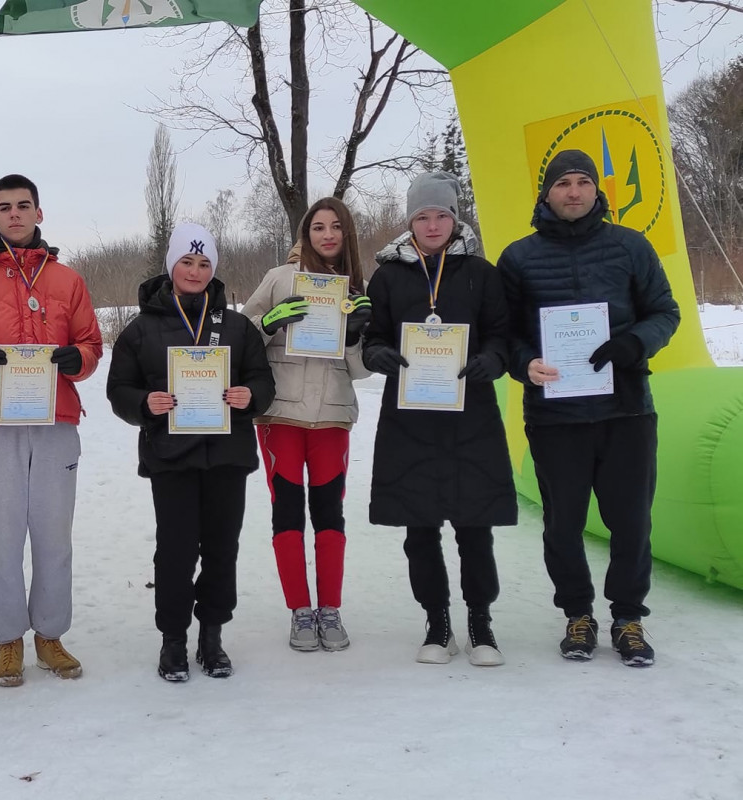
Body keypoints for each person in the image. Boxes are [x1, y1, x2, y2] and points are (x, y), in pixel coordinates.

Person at [499, 149, 679, 667]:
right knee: (562, 524)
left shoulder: (630, 247)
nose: (573, 192)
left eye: (582, 182)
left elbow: (665, 312)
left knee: (630, 522)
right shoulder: (519, 257)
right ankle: (577, 614)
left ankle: (628, 618)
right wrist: (524, 362)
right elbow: (505, 331)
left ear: (597, 191)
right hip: (555, 417)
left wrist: (635, 344)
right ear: (545, 193)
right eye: (563, 184)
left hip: (626, 410)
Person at [0, 174, 105, 687]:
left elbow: (91, 345)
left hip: (56, 423)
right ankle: (8, 638)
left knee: (54, 537)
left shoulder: (67, 280)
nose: (14, 214)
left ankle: (50, 635)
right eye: (4, 207)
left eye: (23, 205)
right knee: (4, 537)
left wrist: (79, 359)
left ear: (39, 213)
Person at [107, 223, 275, 681]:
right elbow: (119, 388)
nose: (195, 271)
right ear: (171, 266)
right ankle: (174, 639)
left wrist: (249, 396)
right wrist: (144, 403)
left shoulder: (237, 326)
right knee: (176, 550)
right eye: (187, 261)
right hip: (171, 456)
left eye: (204, 263)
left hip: (227, 456)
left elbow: (263, 380)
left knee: (222, 548)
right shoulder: (141, 329)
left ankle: (212, 636)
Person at [361, 172, 516, 667]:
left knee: (475, 525)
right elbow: (373, 335)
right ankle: (437, 622)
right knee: (420, 525)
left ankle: (481, 623)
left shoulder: (481, 272)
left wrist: (493, 361)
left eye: (442, 215)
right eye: (423, 216)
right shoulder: (387, 276)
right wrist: (379, 353)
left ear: (455, 218)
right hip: (411, 418)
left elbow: (501, 334)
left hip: (470, 415)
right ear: (409, 222)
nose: (433, 224)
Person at [242, 197, 374, 652]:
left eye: (336, 227)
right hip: (281, 412)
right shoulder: (279, 279)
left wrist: (356, 336)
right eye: (318, 227)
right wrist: (271, 321)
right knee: (288, 512)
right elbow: (243, 336)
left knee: (330, 513)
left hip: (333, 415)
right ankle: (300, 610)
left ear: (347, 233)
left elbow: (361, 370)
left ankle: (330, 608)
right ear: (305, 233)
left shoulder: (356, 286)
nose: (327, 235)